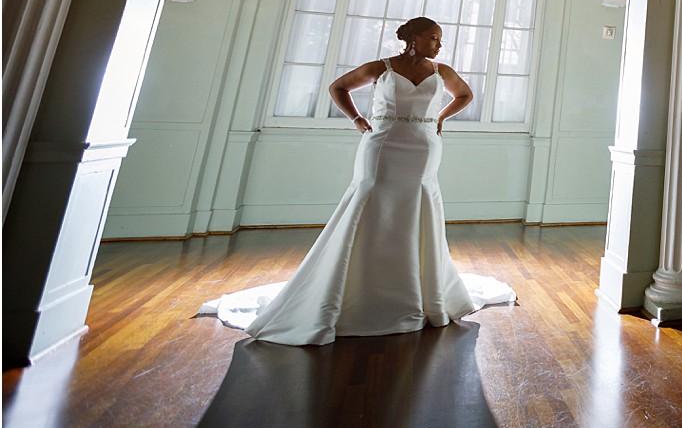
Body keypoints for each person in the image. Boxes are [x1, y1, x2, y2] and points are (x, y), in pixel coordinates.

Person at [202, 17, 515, 345]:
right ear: (414, 37)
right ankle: (357, 285)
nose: (439, 44)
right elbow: (337, 86)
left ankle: (419, 288)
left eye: (440, 39)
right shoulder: (381, 68)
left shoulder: (442, 71)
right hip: (381, 145)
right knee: (372, 202)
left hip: (423, 147)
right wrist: (356, 118)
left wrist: (438, 117)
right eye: (434, 37)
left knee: (418, 203)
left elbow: (465, 95)